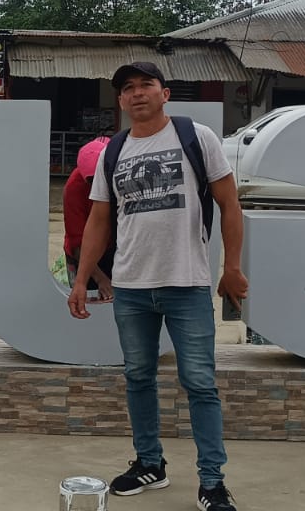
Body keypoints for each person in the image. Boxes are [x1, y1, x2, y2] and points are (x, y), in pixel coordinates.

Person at [68, 61, 247, 511]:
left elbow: (230, 203)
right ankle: (150, 463)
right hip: (130, 286)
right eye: (127, 88)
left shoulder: (196, 137)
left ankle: (212, 483)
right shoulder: (113, 151)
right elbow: (99, 220)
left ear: (164, 93)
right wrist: (82, 278)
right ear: (120, 100)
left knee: (200, 383)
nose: (137, 93)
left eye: (146, 84)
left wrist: (232, 267)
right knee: (138, 377)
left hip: (187, 283)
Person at [61, 136, 113, 294]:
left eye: (99, 179)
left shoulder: (120, 174)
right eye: (91, 182)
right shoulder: (74, 188)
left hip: (114, 247)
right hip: (84, 253)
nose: (96, 186)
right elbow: (77, 243)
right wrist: (100, 279)